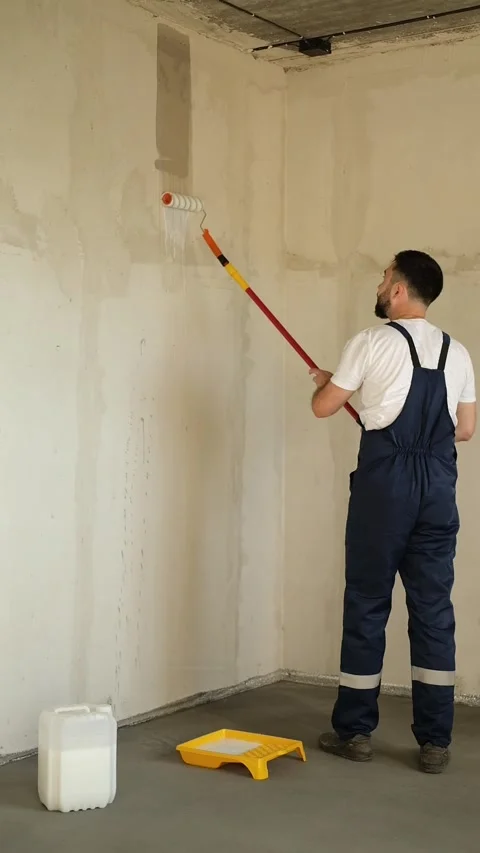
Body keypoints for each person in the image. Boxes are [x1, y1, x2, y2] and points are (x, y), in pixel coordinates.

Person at [310, 250, 476, 774]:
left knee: (366, 602)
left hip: (386, 487)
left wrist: (327, 381)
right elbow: (466, 429)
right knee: (432, 610)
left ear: (400, 290)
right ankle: (435, 743)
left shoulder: (371, 341)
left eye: (385, 279)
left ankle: (355, 732)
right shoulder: (459, 353)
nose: (381, 286)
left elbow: (324, 407)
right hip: (436, 488)